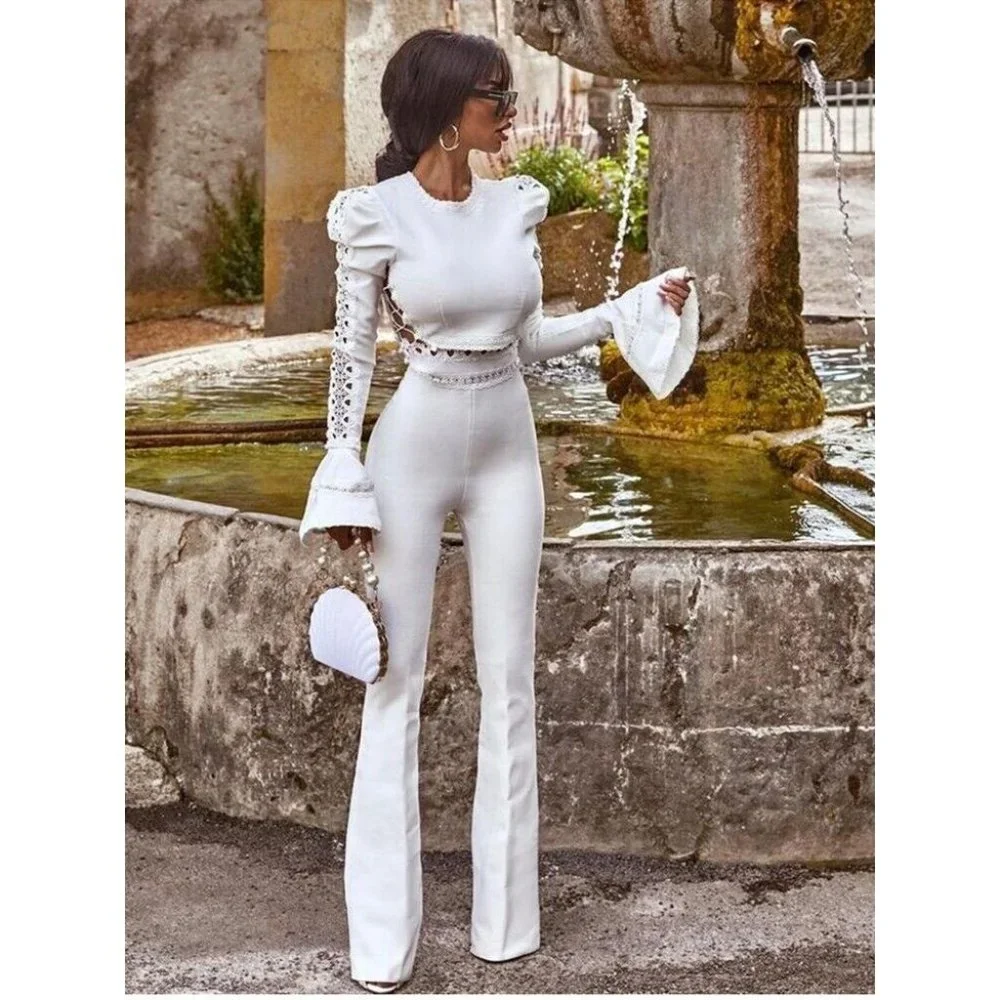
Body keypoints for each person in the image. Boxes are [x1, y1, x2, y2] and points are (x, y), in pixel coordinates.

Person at [298, 28, 696, 994]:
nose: (509, 111)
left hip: (508, 450)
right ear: (445, 111)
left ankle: (506, 928)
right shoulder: (375, 216)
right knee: (394, 682)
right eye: (494, 96)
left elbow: (526, 342)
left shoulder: (516, 204)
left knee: (510, 683)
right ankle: (382, 944)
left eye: (510, 94)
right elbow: (351, 359)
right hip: (414, 448)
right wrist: (342, 473)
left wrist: (627, 309)